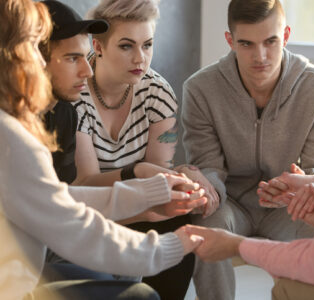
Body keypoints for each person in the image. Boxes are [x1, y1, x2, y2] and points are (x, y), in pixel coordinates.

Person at [0, 0, 205, 299]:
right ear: (20, 58)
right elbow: (69, 222)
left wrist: (150, 194)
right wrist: (165, 247)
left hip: (30, 263)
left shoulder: (25, 125)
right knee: (139, 294)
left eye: (148, 44)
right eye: (72, 58)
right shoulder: (14, 138)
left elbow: (59, 198)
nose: (86, 70)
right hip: (17, 286)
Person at [186, 17, 314, 300]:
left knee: (295, 284)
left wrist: (237, 246)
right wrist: (312, 183)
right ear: (230, 41)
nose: (260, 56)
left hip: (291, 210)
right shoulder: (200, 88)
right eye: (247, 43)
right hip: (233, 204)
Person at [71, 1, 215, 299]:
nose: (141, 58)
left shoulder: (158, 93)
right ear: (98, 47)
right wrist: (135, 171)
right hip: (86, 211)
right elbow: (84, 184)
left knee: (178, 217)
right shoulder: (74, 94)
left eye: (147, 45)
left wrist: (182, 176)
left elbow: (158, 175)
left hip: (140, 205)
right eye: (126, 46)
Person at [40, 0, 109, 184]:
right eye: (72, 58)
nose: (88, 72)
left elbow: (63, 196)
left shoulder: (66, 113)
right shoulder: (8, 120)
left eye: (86, 57)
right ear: (36, 59)